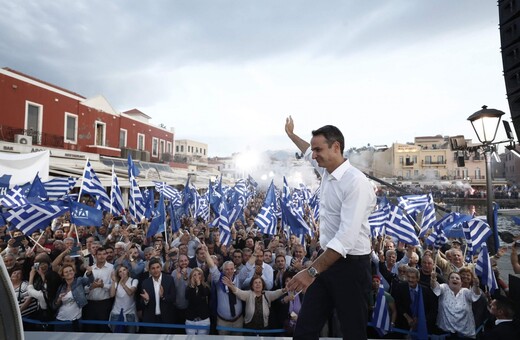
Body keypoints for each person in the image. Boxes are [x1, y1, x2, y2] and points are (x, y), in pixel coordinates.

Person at [284, 116, 376, 339]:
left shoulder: (355, 182)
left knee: (353, 332)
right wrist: (291, 135)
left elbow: (346, 238)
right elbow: (307, 150)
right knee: (305, 329)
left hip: (352, 266)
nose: (313, 156)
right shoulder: (327, 170)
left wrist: (311, 271)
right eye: (314, 150)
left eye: (318, 150)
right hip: (327, 261)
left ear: (336, 147)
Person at [430, 271, 481, 338]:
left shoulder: (465, 292)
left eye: (457, 278)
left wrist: (476, 285)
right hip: (445, 332)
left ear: (461, 283)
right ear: (448, 281)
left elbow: (475, 295)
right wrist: (433, 279)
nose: (454, 279)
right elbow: (435, 287)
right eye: (452, 278)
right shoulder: (444, 288)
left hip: (464, 334)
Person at [52, 264, 94, 332]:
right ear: (63, 275)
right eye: (66, 272)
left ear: (74, 272)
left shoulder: (79, 281)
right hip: (60, 319)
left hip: (74, 321)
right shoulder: (61, 287)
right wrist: (59, 299)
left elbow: (90, 281)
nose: (69, 273)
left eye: (71, 270)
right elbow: (54, 306)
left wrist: (89, 273)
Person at [139, 257, 176, 334]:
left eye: (157, 267)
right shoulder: (145, 283)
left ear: (161, 267)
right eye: (153, 268)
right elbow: (141, 303)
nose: (156, 270)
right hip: (151, 320)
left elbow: (173, 298)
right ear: (149, 270)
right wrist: (146, 300)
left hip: (166, 319)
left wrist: (163, 296)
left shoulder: (169, 279)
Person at [109, 264, 138, 333]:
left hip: (130, 313)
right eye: (120, 271)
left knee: (130, 337)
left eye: (124, 270)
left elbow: (130, 292)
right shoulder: (116, 282)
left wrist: (122, 283)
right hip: (116, 313)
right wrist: (113, 281)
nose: (123, 272)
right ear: (118, 274)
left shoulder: (134, 281)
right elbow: (112, 295)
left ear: (127, 270)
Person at [185, 267, 211, 335]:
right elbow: (189, 299)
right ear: (191, 277)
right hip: (191, 320)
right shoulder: (189, 288)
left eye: (199, 274)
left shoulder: (206, 287)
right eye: (194, 275)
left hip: (203, 320)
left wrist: (199, 284)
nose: (197, 276)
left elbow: (204, 294)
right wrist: (192, 286)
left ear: (202, 275)